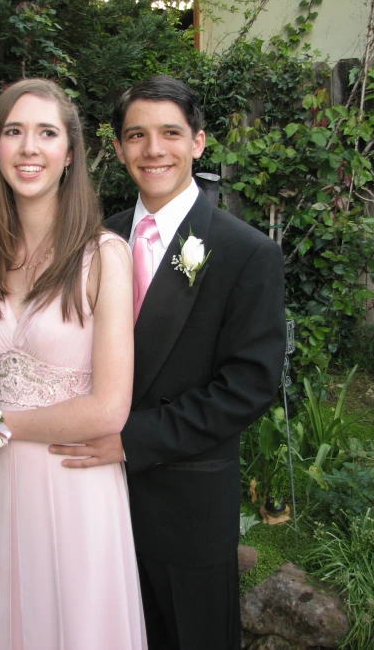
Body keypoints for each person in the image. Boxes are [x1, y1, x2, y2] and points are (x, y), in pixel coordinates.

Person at [49, 75, 287, 650]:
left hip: (187, 504)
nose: (153, 149)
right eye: (137, 135)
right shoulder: (95, 242)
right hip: (95, 498)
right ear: (120, 147)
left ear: (198, 142)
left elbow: (247, 387)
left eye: (170, 133)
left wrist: (132, 439)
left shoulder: (245, 252)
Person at [0, 78, 147, 650]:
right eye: (13, 131)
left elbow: (108, 409)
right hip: (5, 485)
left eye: (46, 132)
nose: (29, 147)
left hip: (74, 488)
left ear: (70, 153)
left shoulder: (103, 256)